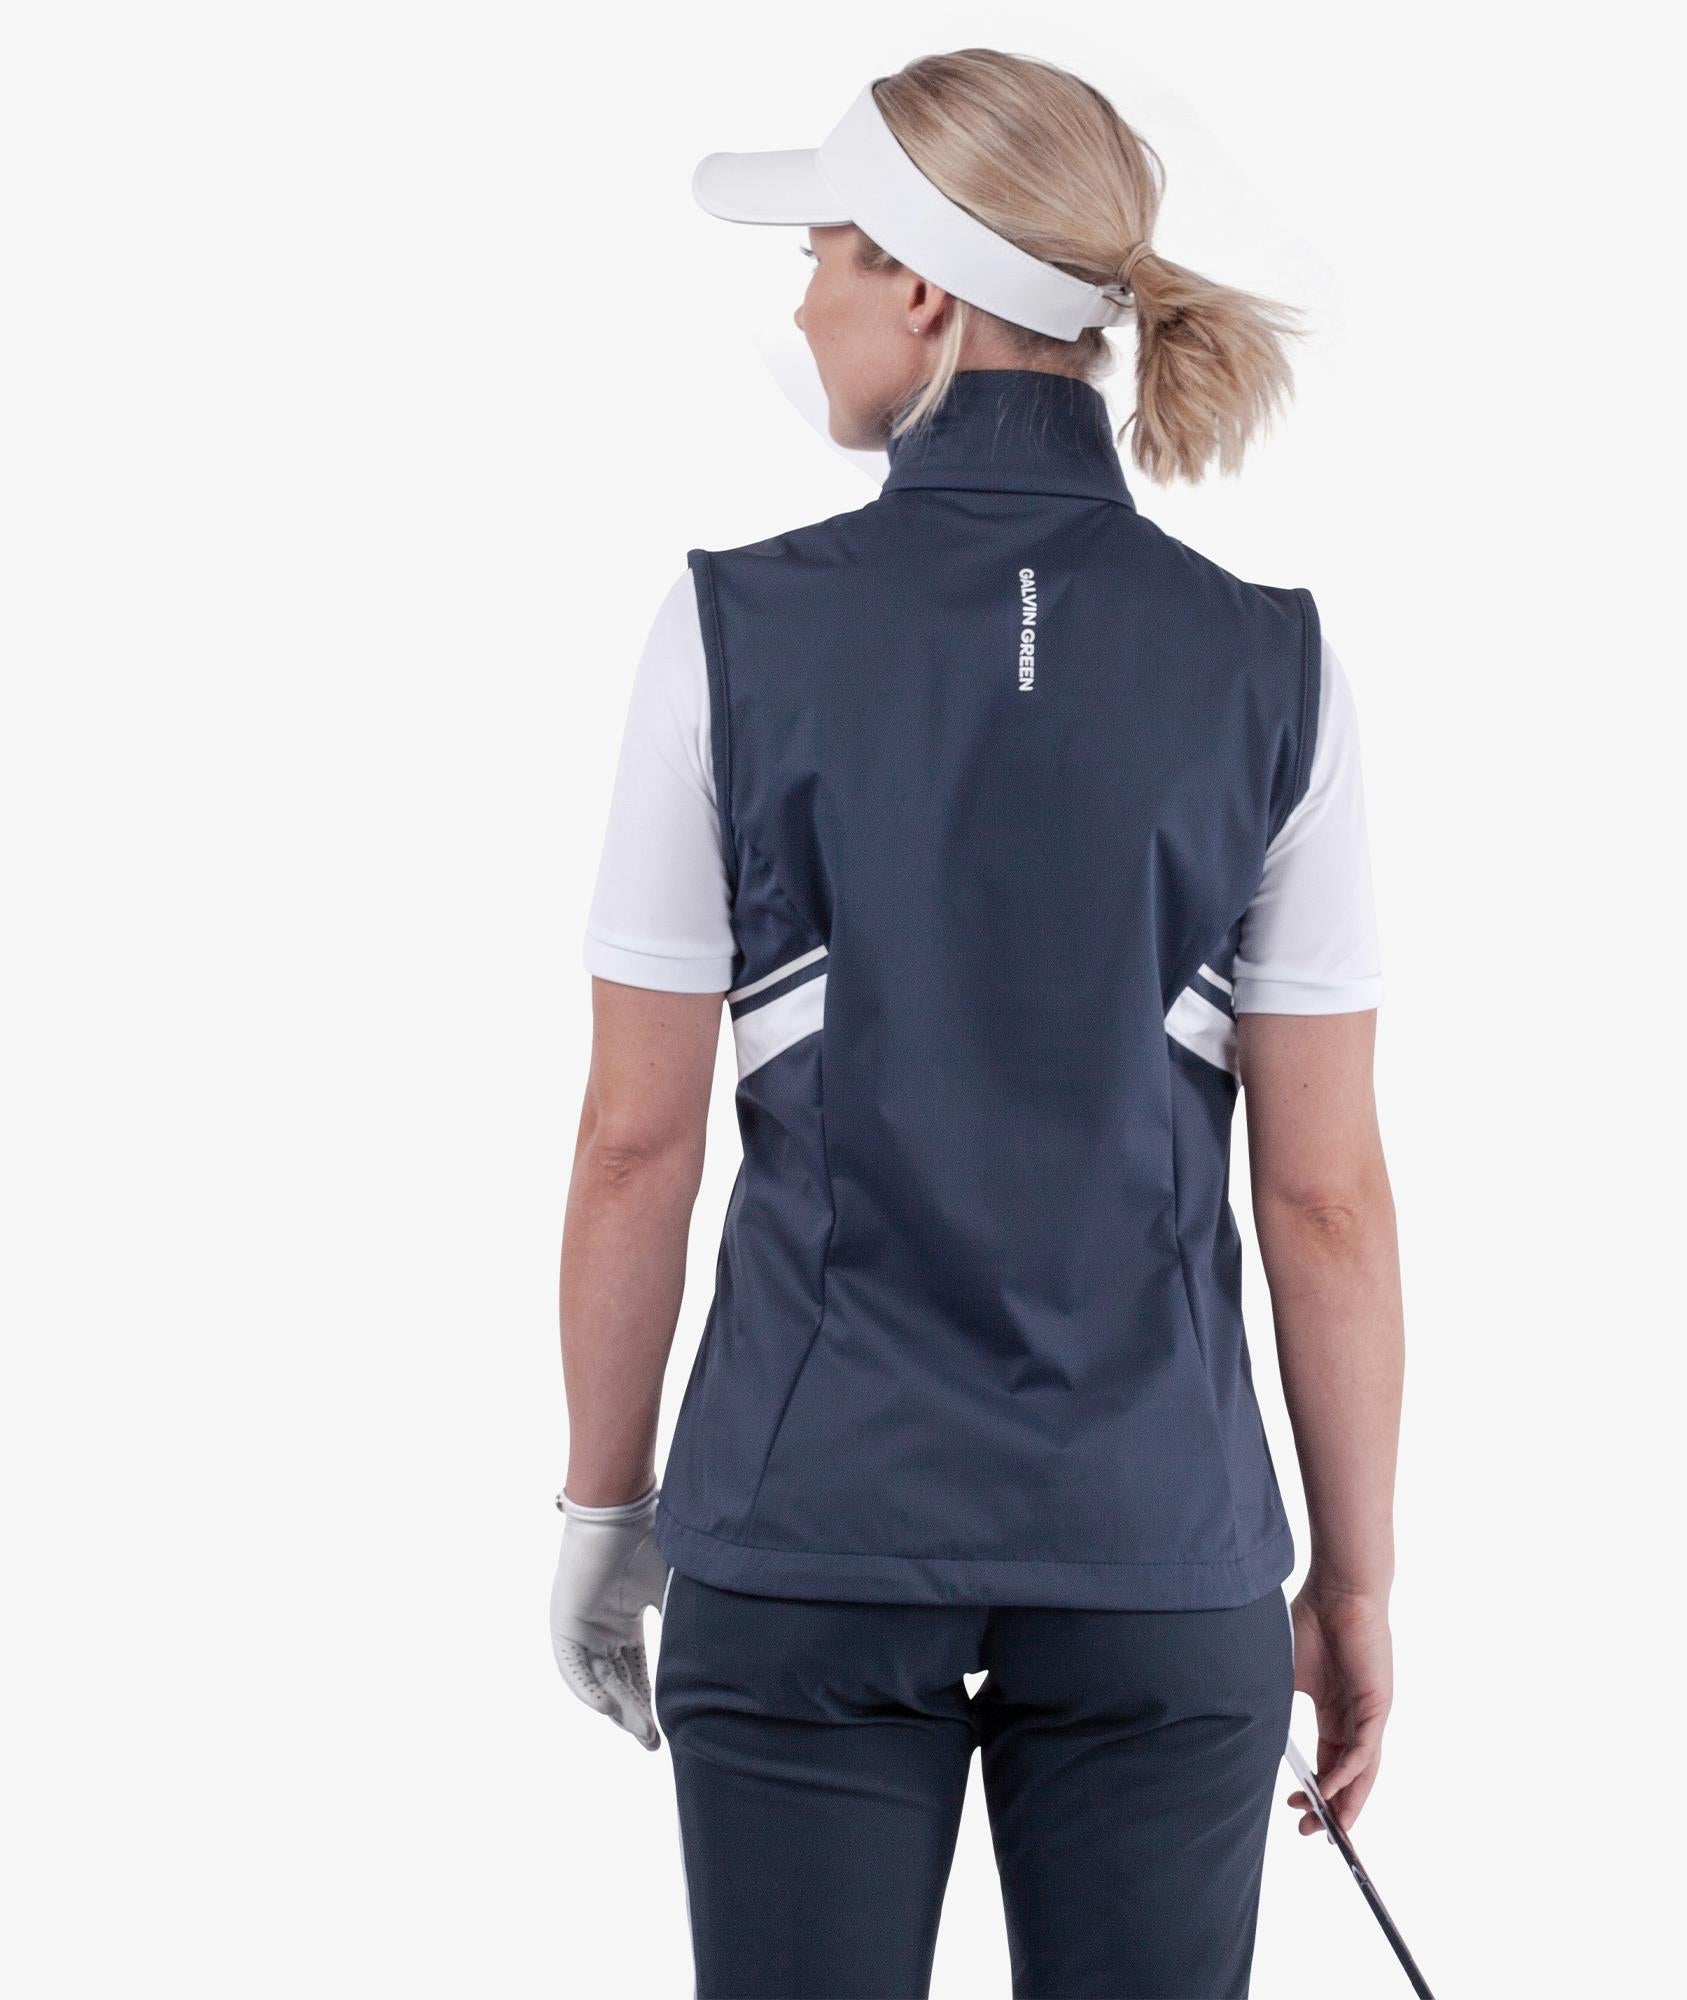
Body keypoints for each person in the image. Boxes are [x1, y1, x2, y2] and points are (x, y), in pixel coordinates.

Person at [551, 49, 1405, 2000]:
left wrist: (606, 1505)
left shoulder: (729, 632)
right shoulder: (1275, 665)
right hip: (1160, 1554)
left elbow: (632, 1145)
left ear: (920, 285)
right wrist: (1349, 1583)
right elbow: (1328, 1199)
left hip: (805, 1536)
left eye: (820, 252)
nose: (800, 303)